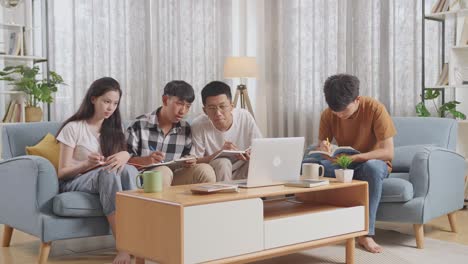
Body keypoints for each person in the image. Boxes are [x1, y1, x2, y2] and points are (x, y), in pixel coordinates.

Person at [56, 77, 137, 264]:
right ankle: (123, 247)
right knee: (107, 173)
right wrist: (86, 165)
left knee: (130, 171)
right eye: (106, 101)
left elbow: (119, 163)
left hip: (101, 177)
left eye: (115, 103)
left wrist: (125, 154)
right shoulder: (73, 127)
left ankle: (139, 239)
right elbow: (62, 172)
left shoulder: (115, 129)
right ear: (93, 99)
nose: (110, 107)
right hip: (75, 180)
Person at [315, 74, 396, 253]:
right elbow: (323, 144)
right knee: (311, 165)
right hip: (344, 163)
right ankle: (318, 227)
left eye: (344, 111)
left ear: (357, 100)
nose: (340, 116)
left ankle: (366, 234)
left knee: (372, 168)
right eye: (336, 111)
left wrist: (356, 158)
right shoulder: (328, 114)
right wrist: (326, 149)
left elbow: (388, 152)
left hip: (373, 163)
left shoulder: (375, 109)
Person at [126, 80, 216, 187]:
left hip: (175, 176)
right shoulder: (138, 125)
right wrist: (147, 160)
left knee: (206, 170)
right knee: (163, 172)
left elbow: (187, 156)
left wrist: (190, 160)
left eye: (188, 106)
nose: (183, 111)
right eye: (179, 104)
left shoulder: (185, 128)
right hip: (145, 178)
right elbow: (126, 161)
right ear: (165, 100)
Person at [191, 81, 262, 181]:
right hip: (216, 169)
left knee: (258, 159)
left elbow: (260, 146)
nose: (218, 113)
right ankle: (226, 194)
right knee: (223, 162)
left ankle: (258, 196)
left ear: (231, 106)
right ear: (205, 110)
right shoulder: (198, 125)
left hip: (242, 166)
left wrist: (251, 152)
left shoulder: (244, 116)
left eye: (222, 106)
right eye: (212, 108)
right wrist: (221, 153)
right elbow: (196, 161)